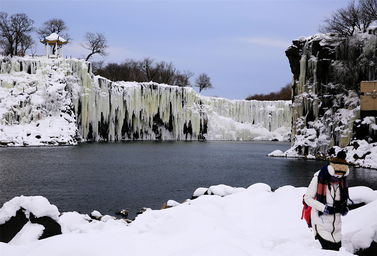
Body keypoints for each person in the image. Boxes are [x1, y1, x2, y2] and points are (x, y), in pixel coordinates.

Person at [304, 151, 351, 251]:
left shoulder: (343, 180)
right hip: (321, 224)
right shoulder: (319, 177)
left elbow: (342, 199)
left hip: (337, 228)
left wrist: (343, 207)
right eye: (336, 174)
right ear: (331, 169)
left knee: (337, 251)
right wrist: (324, 208)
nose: (338, 177)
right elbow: (307, 198)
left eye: (341, 175)